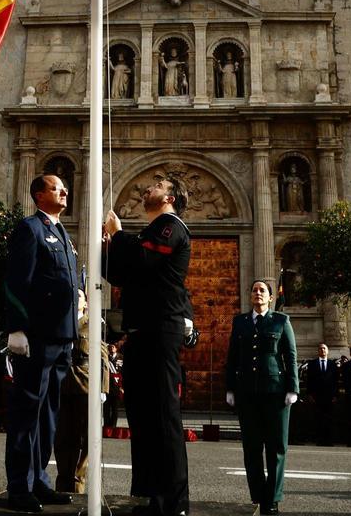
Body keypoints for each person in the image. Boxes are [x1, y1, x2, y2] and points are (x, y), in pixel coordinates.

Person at [103, 176, 192, 516]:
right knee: (140, 417)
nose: (148, 187)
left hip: (160, 329)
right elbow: (120, 273)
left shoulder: (171, 226)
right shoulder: (147, 233)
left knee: (163, 417)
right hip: (140, 330)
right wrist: (106, 246)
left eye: (157, 184)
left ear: (170, 197)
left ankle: (173, 501)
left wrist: (118, 233)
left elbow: (142, 259)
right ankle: (147, 494)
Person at [3, 174, 78, 513]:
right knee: (26, 414)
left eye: (63, 187)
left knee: (48, 416)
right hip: (36, 337)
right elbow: (18, 280)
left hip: (62, 337)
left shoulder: (63, 233)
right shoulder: (30, 229)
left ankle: (40, 482)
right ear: (38, 195)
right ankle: (19, 485)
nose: (64, 190)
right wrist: (16, 328)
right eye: (55, 187)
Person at [225, 278, 298, 516]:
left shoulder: (281, 321)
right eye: (254, 290)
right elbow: (233, 358)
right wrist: (230, 388)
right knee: (252, 447)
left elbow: (290, 356)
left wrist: (292, 389)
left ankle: (273, 498)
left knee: (276, 447)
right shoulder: (240, 322)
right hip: (247, 393)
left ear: (270, 297)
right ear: (250, 296)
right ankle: (257, 494)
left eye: (262, 290)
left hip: (276, 393)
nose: (258, 293)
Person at [53, 296, 108, 494]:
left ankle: (78, 480)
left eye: (79, 296)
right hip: (63, 385)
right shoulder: (59, 321)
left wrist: (103, 389)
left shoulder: (91, 324)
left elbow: (103, 357)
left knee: (87, 437)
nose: (74, 299)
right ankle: (63, 479)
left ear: (85, 303)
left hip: (85, 385)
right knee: (63, 437)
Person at [303, 343, 338, 446]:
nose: (322, 350)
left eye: (324, 348)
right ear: (318, 351)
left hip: (329, 396)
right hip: (317, 396)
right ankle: (319, 440)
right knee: (318, 418)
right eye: (320, 349)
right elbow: (309, 380)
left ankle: (329, 440)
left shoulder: (332, 364)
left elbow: (335, 381)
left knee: (329, 419)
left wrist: (335, 395)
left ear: (327, 351)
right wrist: (309, 394)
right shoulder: (312, 364)